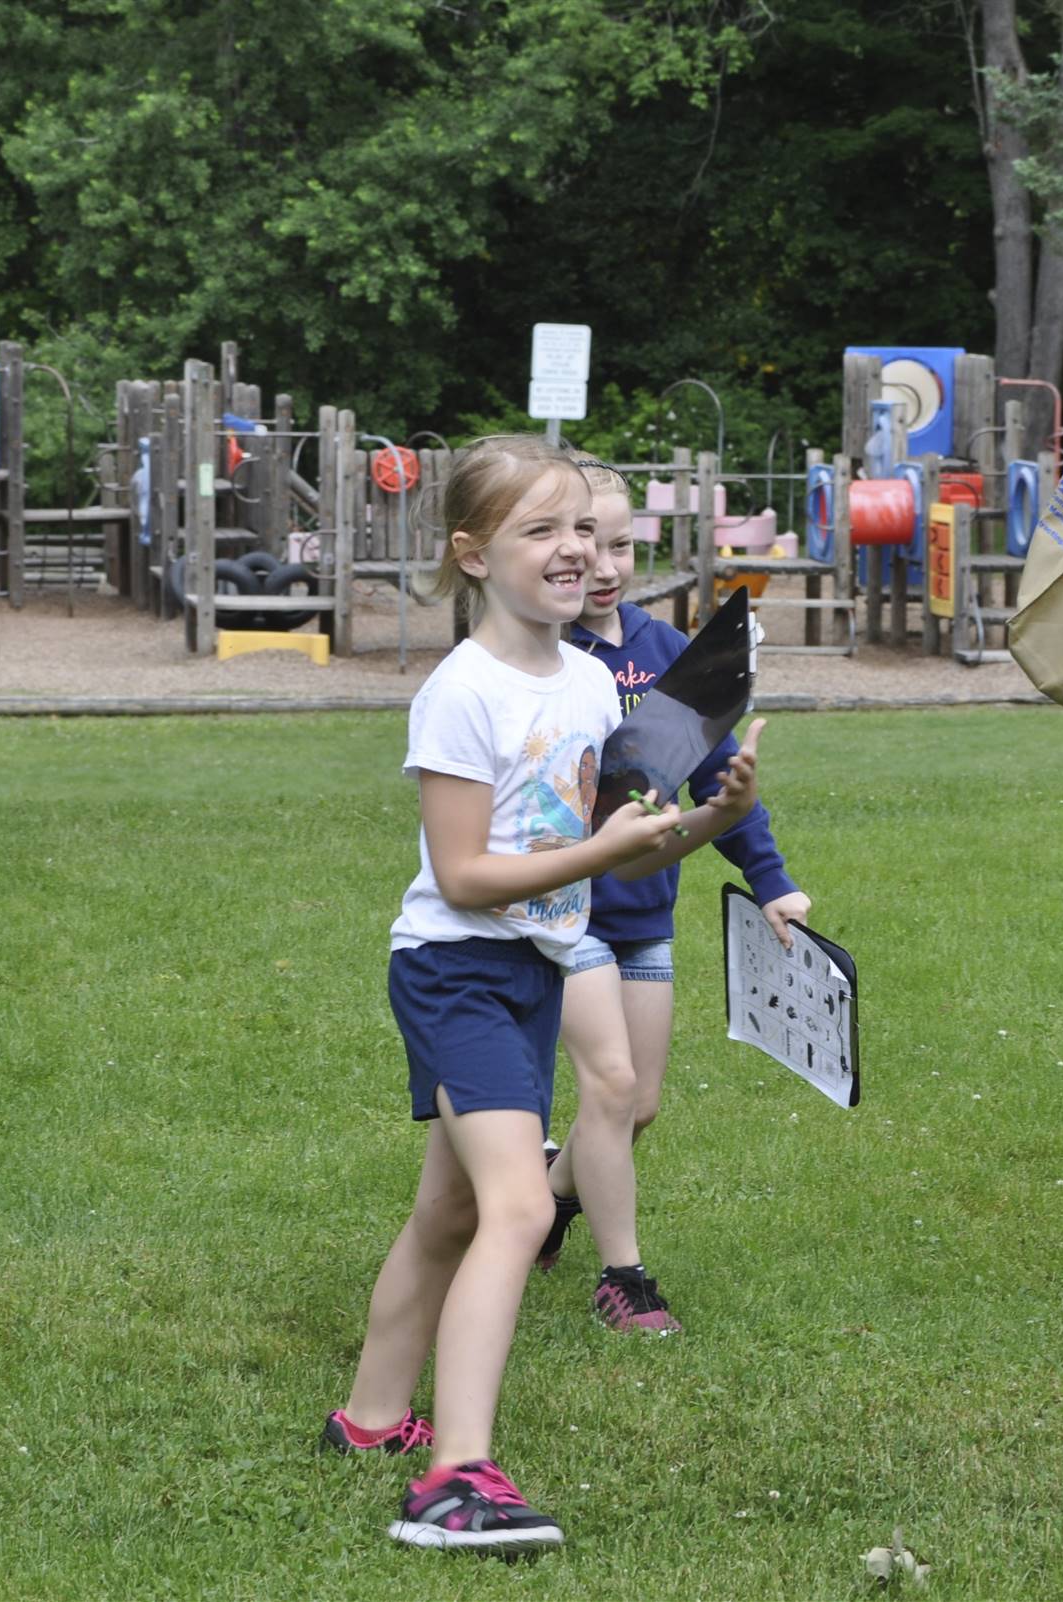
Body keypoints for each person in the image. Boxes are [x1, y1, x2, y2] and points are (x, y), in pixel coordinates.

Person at [323, 435, 769, 1552]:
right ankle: (454, 1478)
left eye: (583, 527)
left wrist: (705, 822)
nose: (574, 550)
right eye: (542, 530)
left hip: (532, 965)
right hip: (457, 969)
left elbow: (602, 852)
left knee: (454, 1211)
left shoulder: (584, 679)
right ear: (474, 555)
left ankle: (372, 1419)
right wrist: (598, 849)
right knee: (521, 1207)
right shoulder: (459, 694)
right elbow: (470, 874)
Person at [535, 459, 810, 1333]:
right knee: (610, 1085)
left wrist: (771, 881)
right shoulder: (541, 657)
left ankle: (547, 1197)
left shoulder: (669, 656)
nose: (606, 565)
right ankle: (625, 1279)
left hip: (644, 921)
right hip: (563, 914)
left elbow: (715, 787)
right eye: (587, 543)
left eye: (620, 544)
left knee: (638, 1102)